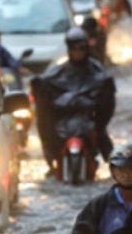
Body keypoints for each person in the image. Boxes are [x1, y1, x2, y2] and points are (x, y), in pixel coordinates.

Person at [31, 27, 115, 170]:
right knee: (48, 134)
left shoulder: (98, 73)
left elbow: (107, 105)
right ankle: (52, 160)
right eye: (74, 49)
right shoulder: (58, 74)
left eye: (80, 49)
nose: (77, 53)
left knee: (104, 141)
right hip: (63, 122)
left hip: (88, 121)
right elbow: (45, 94)